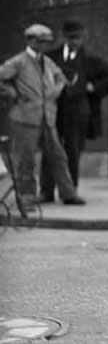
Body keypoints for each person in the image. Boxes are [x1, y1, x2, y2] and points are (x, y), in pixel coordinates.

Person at [0, 24, 86, 210]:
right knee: (26, 161)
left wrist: (55, 91)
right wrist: (12, 93)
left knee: (58, 156)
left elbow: (61, 78)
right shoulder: (18, 62)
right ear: (30, 41)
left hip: (47, 117)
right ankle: (26, 199)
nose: (45, 45)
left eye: (47, 42)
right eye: (41, 41)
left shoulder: (47, 62)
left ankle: (68, 194)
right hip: (24, 118)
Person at [41, 18, 108, 201]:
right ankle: (46, 192)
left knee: (73, 150)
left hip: (78, 111)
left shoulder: (91, 60)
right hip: (54, 109)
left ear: (83, 38)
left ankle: (70, 192)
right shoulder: (51, 57)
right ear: (63, 37)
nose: (75, 42)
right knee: (49, 149)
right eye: (70, 38)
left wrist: (95, 87)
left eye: (78, 38)